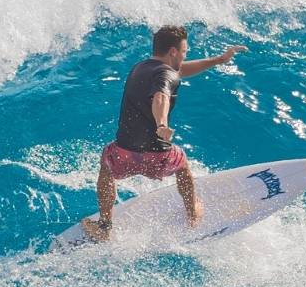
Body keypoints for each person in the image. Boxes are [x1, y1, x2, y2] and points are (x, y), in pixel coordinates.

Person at [83, 25, 245, 241]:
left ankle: (104, 226)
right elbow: (161, 96)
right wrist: (161, 125)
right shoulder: (166, 75)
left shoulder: (139, 67)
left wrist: (217, 60)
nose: (185, 55)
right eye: (184, 51)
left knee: (106, 164)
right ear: (173, 52)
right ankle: (192, 213)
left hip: (124, 154)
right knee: (183, 166)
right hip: (158, 157)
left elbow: (178, 72)